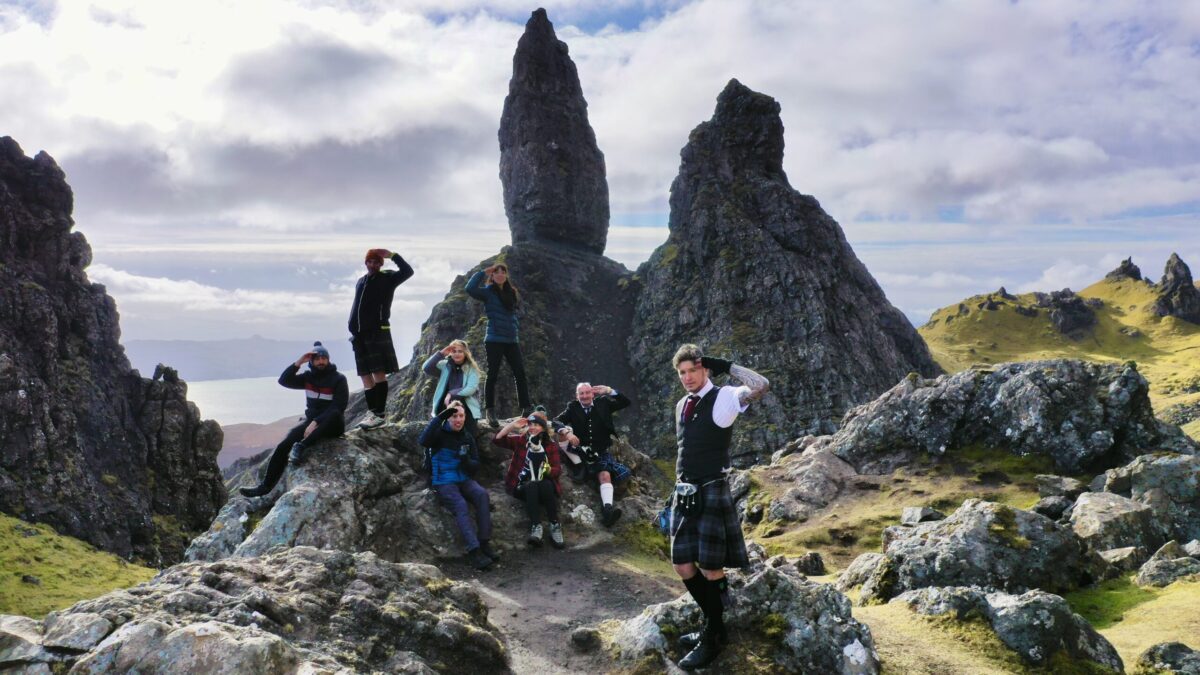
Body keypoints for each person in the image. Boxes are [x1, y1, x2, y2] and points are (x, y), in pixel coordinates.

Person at [668, 344, 769, 671]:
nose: (686, 378)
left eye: (692, 371)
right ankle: (715, 621)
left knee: (712, 569)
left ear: (704, 369)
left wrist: (727, 364)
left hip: (712, 490)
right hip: (685, 494)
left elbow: (760, 386)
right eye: (681, 373)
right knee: (682, 563)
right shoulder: (682, 404)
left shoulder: (725, 396)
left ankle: (713, 632)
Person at [240, 342, 349, 497]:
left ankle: (302, 446)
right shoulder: (308, 378)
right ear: (311, 361)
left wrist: (315, 421)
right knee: (284, 445)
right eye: (317, 358)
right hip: (311, 423)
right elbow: (284, 381)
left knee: (334, 414)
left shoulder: (339, 379)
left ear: (329, 360)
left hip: (332, 425)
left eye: (324, 358)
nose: (321, 361)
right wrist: (298, 363)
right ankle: (265, 487)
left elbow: (339, 406)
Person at [419, 400, 497, 570]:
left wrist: (466, 460)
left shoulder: (467, 436)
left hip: (463, 478)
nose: (458, 420)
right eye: (454, 416)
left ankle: (484, 543)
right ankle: (474, 551)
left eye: (461, 416)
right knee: (460, 504)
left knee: (482, 495)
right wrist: (440, 417)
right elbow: (423, 441)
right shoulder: (439, 433)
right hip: (443, 480)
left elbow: (476, 464)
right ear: (448, 418)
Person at [349, 248, 414, 428]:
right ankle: (372, 413)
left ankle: (380, 414)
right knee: (364, 374)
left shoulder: (388, 278)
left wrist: (393, 255)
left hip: (377, 331)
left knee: (378, 373)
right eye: (370, 261)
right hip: (359, 334)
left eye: (377, 262)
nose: (373, 265)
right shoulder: (361, 281)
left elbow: (408, 272)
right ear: (366, 262)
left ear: (381, 264)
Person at [554, 382, 632, 527]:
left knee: (605, 475)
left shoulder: (603, 403)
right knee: (561, 435)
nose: (584, 396)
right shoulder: (573, 407)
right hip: (580, 450)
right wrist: (566, 431)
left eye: (587, 392)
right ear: (577, 396)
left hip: (600, 451)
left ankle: (607, 510)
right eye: (581, 393)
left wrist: (609, 390)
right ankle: (579, 466)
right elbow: (556, 421)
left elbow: (625, 402)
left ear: (593, 394)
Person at [465, 263, 529, 424]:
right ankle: (490, 412)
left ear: (506, 275)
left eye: (503, 272)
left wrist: (515, 328)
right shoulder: (488, 292)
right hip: (494, 339)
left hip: (511, 339)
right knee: (493, 374)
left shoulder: (512, 293)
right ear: (492, 276)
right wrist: (481, 272)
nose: (500, 274)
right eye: (496, 272)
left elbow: (514, 314)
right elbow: (470, 289)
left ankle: (526, 408)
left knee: (520, 373)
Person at [495, 412, 564, 549]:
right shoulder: (521, 440)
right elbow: (498, 439)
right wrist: (512, 426)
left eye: (537, 425)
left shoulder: (550, 445)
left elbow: (557, 470)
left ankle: (554, 525)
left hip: (544, 487)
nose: (533, 427)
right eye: (531, 424)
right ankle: (536, 527)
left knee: (544, 484)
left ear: (543, 428)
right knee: (532, 485)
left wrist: (548, 470)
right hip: (522, 485)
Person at [422, 339, 483, 435]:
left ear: (465, 353)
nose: (457, 354)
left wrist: (451, 393)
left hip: (467, 409)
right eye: (454, 351)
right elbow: (426, 368)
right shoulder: (445, 365)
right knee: (443, 437)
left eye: (460, 351)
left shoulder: (471, 368)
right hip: (444, 407)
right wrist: (441, 354)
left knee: (468, 438)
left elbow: (471, 388)